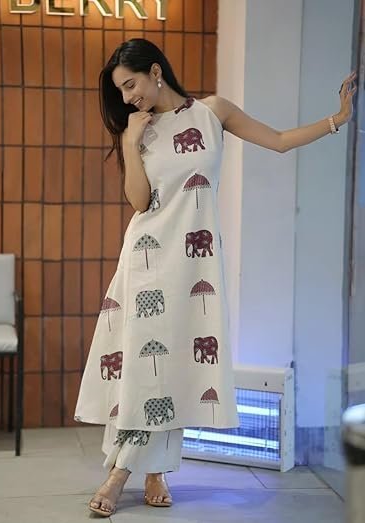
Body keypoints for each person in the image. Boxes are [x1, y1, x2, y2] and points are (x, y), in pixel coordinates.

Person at [74, 38, 357, 517]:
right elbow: (139, 202)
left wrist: (338, 120)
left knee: (174, 366)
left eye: (130, 84)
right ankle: (124, 473)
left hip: (195, 263)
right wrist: (129, 142)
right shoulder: (138, 128)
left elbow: (278, 140)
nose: (127, 97)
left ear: (155, 71)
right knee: (145, 367)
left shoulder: (212, 112)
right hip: (147, 263)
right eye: (120, 91)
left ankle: (154, 469)